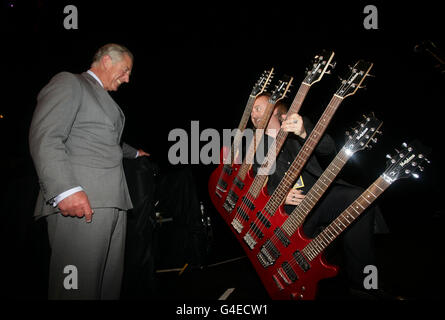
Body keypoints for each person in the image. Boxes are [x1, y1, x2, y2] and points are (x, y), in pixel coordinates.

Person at [29, 43, 149, 300]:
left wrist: (136, 153)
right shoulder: (70, 83)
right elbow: (46, 135)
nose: (128, 78)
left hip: (113, 202)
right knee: (76, 290)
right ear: (106, 60)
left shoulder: (102, 98)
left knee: (106, 290)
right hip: (83, 201)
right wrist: (64, 190)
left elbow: (109, 139)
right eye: (125, 70)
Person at [250, 93, 392, 299]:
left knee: (359, 199)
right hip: (289, 216)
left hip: (318, 200)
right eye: (252, 110)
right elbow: (256, 186)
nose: (252, 114)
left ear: (276, 112)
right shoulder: (255, 147)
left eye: (258, 108)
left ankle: (365, 286)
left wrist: (304, 132)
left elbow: (328, 148)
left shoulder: (299, 124)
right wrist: (278, 196)